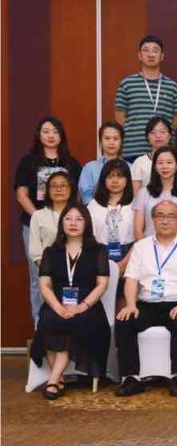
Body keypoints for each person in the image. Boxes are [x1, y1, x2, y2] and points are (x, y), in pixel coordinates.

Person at [114, 200, 177, 397]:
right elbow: (131, 279)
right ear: (153, 219)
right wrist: (130, 305)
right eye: (160, 215)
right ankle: (131, 378)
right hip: (147, 304)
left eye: (171, 216)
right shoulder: (141, 247)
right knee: (124, 321)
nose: (165, 220)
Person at [31, 204, 111, 400]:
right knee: (49, 320)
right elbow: (44, 285)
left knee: (72, 322)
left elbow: (102, 284)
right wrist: (58, 307)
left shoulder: (98, 250)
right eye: (68, 219)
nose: (73, 223)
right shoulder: (51, 252)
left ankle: (54, 379)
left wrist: (81, 307)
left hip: (88, 306)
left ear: (87, 223)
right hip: (56, 303)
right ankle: (58, 379)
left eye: (79, 219)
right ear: (62, 223)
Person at [15, 116, 82, 323]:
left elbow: (78, 197)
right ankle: (40, 324)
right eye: (46, 131)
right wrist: (39, 217)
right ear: (38, 135)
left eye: (55, 131)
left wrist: (65, 220)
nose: (51, 136)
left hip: (68, 226)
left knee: (68, 275)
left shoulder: (71, 163)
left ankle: (66, 321)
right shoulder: (28, 162)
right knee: (38, 278)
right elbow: (21, 195)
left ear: (61, 135)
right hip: (34, 225)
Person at [114, 35, 177, 161]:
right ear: (139, 56)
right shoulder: (127, 84)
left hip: (164, 152)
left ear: (162, 56)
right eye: (146, 50)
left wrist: (160, 134)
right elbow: (119, 118)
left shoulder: (173, 87)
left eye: (155, 50)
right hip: (133, 149)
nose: (151, 54)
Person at [87, 160, 136, 282]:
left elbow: (140, 237)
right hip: (100, 254)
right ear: (103, 180)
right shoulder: (93, 205)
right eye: (110, 177)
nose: (115, 181)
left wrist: (124, 263)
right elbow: (89, 236)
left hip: (130, 254)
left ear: (127, 179)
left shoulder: (135, 204)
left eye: (119, 176)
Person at [132, 147, 177, 239]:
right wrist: (144, 246)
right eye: (160, 163)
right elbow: (137, 230)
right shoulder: (143, 193)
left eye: (169, 162)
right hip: (148, 244)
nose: (165, 166)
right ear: (155, 167)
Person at [130, 117, 177, 193]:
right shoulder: (139, 162)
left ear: (170, 135)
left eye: (162, 132)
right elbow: (136, 195)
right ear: (147, 137)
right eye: (153, 132)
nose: (158, 136)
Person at [29, 172, 77, 268]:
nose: (58, 189)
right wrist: (48, 269)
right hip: (48, 269)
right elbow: (35, 251)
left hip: (78, 269)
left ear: (71, 189)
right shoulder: (38, 216)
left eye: (63, 185)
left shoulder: (80, 214)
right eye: (54, 186)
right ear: (48, 190)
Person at [78, 122, 128, 204]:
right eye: (107, 138)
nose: (111, 142)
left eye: (115, 138)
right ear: (100, 141)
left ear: (121, 142)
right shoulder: (90, 167)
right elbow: (85, 196)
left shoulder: (130, 167)